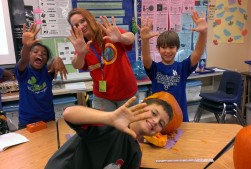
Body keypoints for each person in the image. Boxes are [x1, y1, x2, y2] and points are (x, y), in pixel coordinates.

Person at [45, 91, 177, 169]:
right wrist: (109, 117)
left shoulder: (135, 153)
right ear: (141, 107)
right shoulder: (108, 123)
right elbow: (69, 114)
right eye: (154, 113)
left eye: (161, 123)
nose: (155, 121)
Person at [137, 11, 208, 122]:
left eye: (171, 47)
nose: (167, 51)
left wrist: (203, 33)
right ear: (158, 49)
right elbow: (146, 58)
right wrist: (145, 40)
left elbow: (197, 53)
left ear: (177, 48)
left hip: (179, 118)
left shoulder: (182, 68)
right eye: (164, 48)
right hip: (158, 119)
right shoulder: (155, 69)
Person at [67, 8, 138, 111]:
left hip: (127, 94)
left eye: (83, 21)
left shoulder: (109, 32)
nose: (81, 26)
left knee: (129, 126)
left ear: (90, 18)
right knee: (105, 127)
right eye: (76, 25)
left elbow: (131, 37)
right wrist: (81, 54)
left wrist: (120, 38)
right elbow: (76, 64)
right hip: (102, 97)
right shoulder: (83, 45)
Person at [15, 23, 68, 129]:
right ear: (29, 55)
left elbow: (52, 63)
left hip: (48, 119)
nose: (40, 54)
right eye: (35, 51)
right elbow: (24, 60)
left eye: (44, 54)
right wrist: (26, 46)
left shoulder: (47, 71)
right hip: (27, 121)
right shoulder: (23, 71)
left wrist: (57, 59)